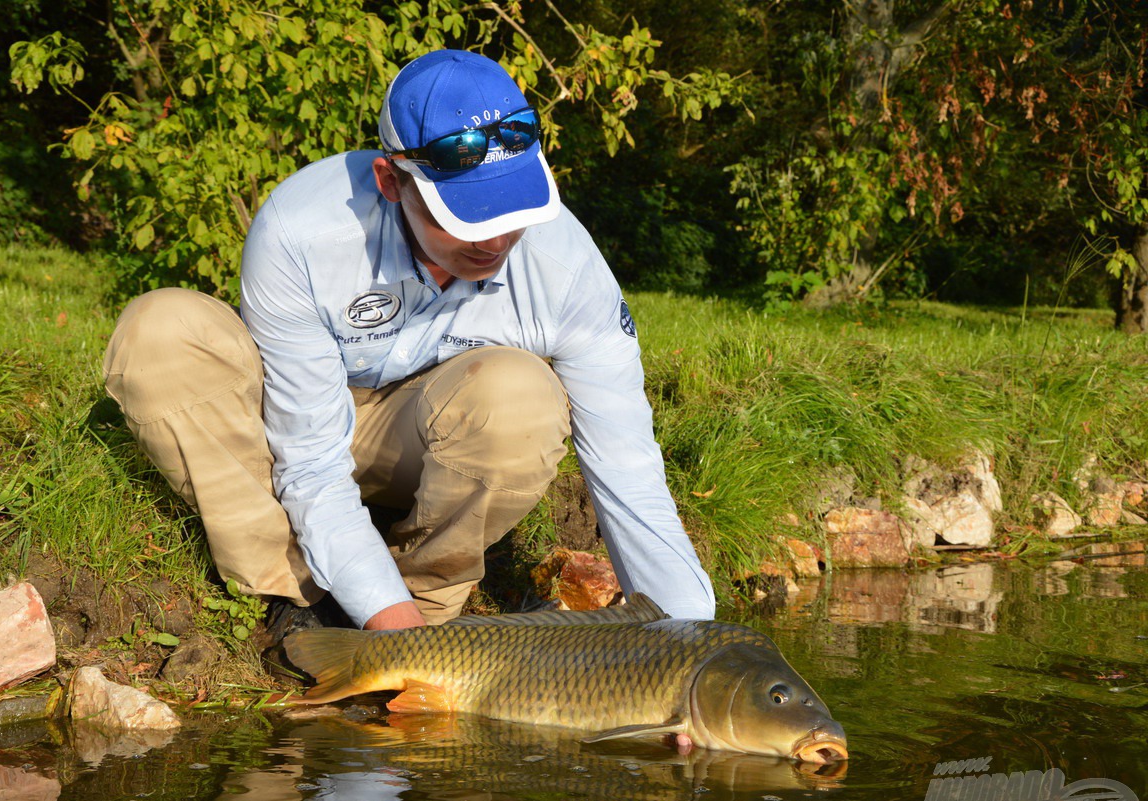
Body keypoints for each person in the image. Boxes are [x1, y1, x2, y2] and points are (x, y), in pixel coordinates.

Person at [103, 49, 716, 641]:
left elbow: (629, 472)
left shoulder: (568, 268)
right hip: (288, 421)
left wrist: (697, 648)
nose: (496, 240)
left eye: (514, 207)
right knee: (160, 331)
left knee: (521, 397)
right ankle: (292, 598)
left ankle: (421, 605)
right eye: (466, 216)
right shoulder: (303, 228)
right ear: (391, 181)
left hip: (425, 434)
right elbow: (312, 461)